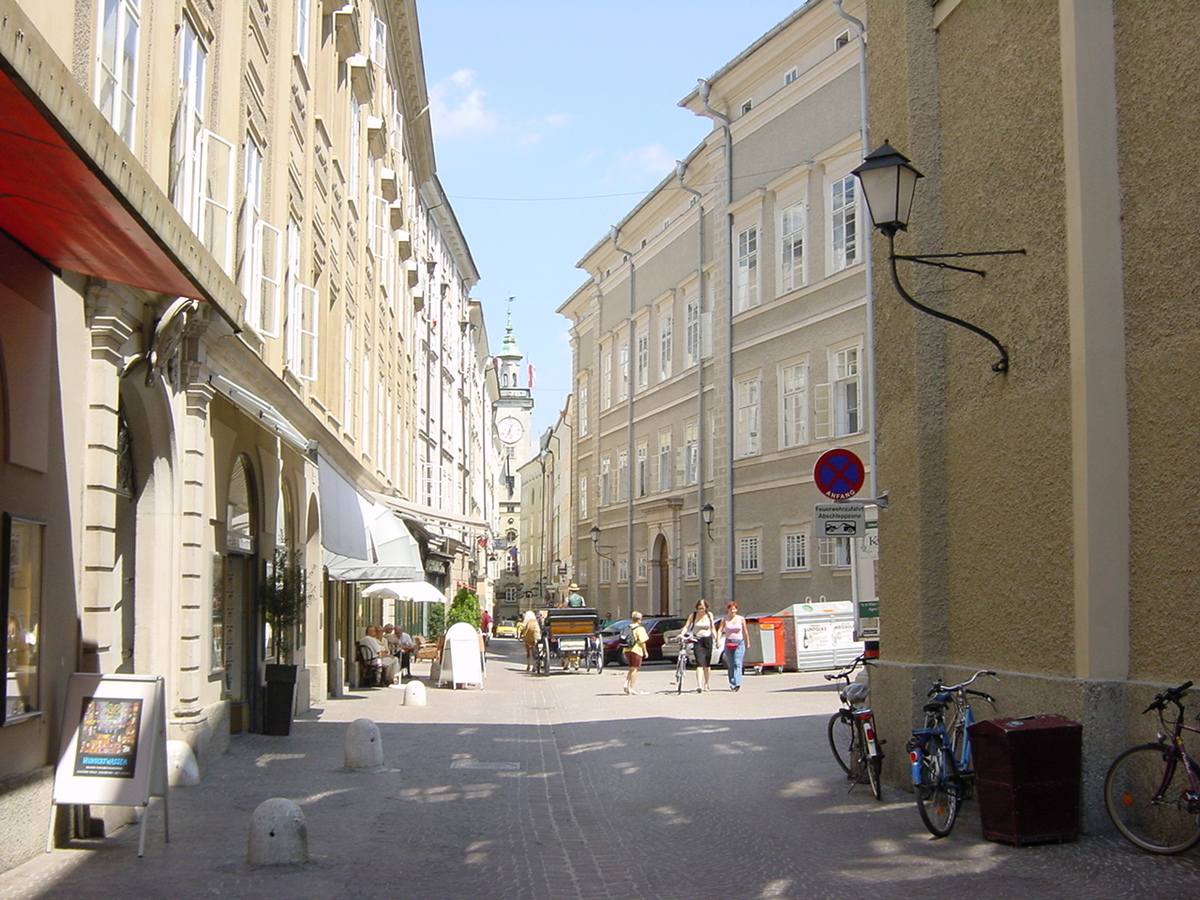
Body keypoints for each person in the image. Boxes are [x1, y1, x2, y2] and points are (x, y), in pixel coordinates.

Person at [682, 599, 716, 693]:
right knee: (700, 664)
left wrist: (716, 639)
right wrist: (682, 634)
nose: (701, 610)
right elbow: (686, 626)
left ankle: (707, 684)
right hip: (697, 640)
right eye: (699, 608)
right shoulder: (693, 615)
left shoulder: (709, 615)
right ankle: (699, 685)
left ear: (706, 608)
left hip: (708, 640)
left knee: (707, 665)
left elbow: (713, 628)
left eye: (703, 608)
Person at [716, 602, 748, 691]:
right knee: (731, 664)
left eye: (734, 609)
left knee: (738, 663)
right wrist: (718, 641)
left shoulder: (741, 619)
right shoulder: (725, 619)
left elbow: (745, 631)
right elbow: (719, 630)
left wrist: (747, 642)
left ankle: (737, 683)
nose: (732, 611)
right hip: (729, 642)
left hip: (739, 642)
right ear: (728, 610)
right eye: (731, 609)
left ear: (736, 610)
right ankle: (732, 683)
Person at [622, 611, 650, 695]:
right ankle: (631, 687)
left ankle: (626, 683)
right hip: (636, 650)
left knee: (631, 667)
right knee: (635, 669)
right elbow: (642, 642)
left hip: (626, 650)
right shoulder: (640, 629)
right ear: (639, 619)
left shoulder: (627, 627)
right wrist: (645, 652)